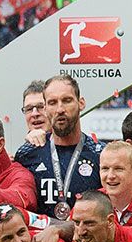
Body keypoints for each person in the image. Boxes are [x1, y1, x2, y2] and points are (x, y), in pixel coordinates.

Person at [15, 74, 104, 219]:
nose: (60, 109)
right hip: (40, 239)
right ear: (45, 108)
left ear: (81, 103)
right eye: (52, 103)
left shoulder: (100, 154)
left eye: (67, 100)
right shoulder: (27, 154)